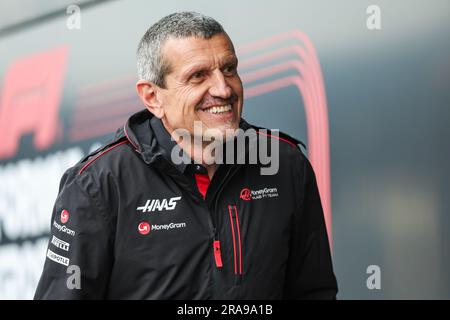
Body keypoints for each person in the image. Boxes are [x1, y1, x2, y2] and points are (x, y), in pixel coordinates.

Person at [34, 11, 337, 299]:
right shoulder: (98, 185)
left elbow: (314, 293)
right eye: (198, 76)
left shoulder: (284, 164)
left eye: (229, 69)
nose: (223, 89)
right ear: (153, 97)